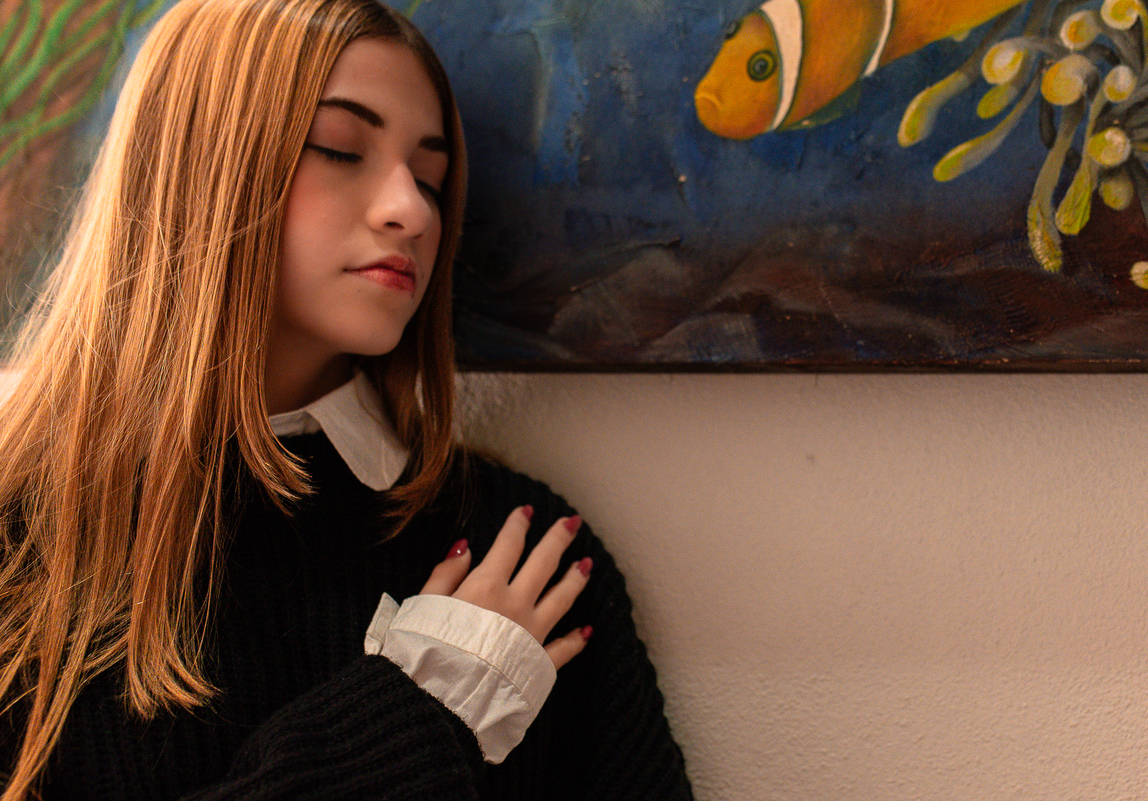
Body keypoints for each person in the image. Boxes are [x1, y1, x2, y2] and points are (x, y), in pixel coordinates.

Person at [0, 0, 693, 797]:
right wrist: (417, 717)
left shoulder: (521, 558)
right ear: (197, 165)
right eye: (340, 147)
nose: (413, 210)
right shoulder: (20, 540)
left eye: (431, 178)